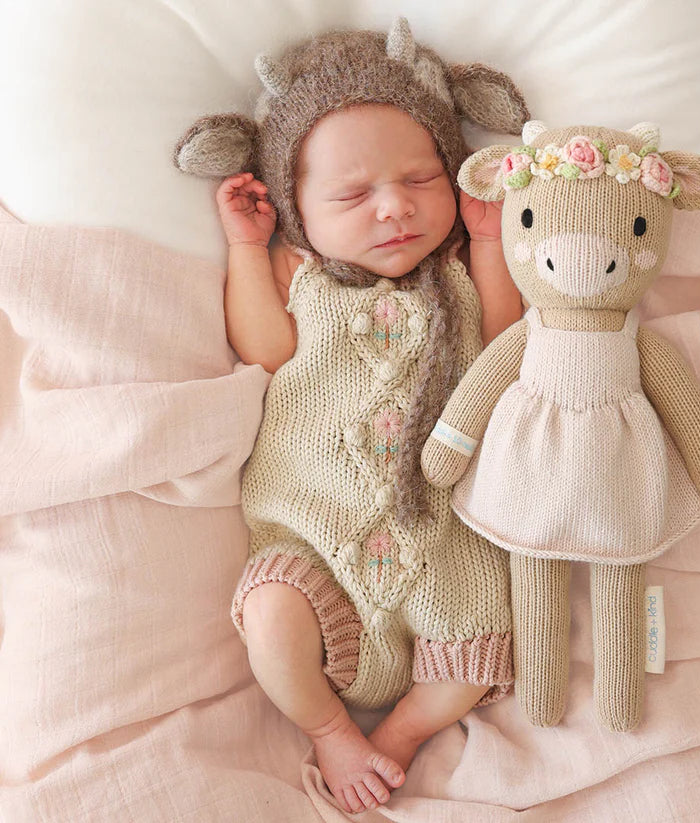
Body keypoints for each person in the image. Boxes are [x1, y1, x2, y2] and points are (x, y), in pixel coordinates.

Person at [183, 19, 529, 814]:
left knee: (476, 647)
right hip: (317, 542)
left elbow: (500, 343)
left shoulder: (456, 279)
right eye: (351, 195)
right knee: (270, 614)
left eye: (421, 179)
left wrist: (486, 243)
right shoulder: (302, 274)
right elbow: (264, 349)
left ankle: (404, 730)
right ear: (298, 212)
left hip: (445, 549)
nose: (393, 208)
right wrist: (247, 249)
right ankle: (330, 729)